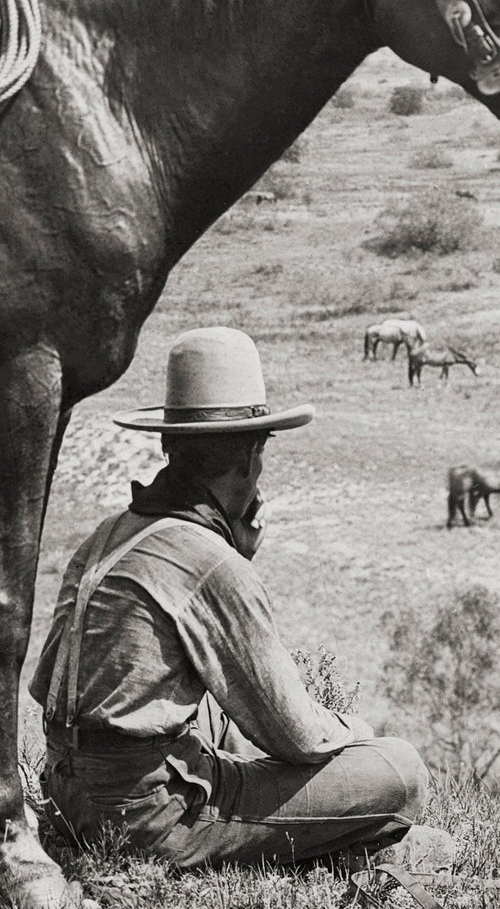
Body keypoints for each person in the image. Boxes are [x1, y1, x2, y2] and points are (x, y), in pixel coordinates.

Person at [30, 326, 450, 873]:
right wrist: (359, 734)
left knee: (217, 717)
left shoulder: (108, 534)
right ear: (253, 456)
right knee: (400, 770)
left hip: (67, 795)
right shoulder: (212, 562)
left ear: (168, 444)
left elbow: (48, 686)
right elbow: (298, 736)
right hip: (148, 818)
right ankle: (337, 841)